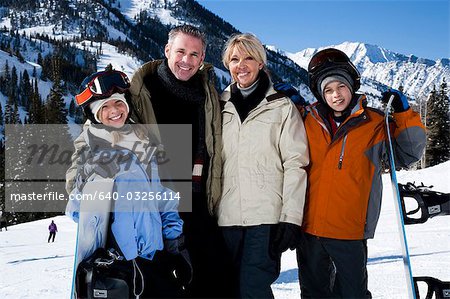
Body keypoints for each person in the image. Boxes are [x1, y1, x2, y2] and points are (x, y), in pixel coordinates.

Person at [66, 25, 234, 298]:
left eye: (195, 54)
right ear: (167, 50)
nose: (186, 60)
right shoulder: (141, 88)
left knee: (214, 279)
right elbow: (99, 121)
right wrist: (82, 178)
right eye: (180, 51)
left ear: (202, 58)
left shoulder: (209, 94)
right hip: (131, 245)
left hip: (193, 203)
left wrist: (173, 242)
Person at [295, 48, 426, 298]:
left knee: (353, 293)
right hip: (309, 228)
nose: (336, 95)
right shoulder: (307, 119)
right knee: (312, 293)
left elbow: (408, 154)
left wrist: (404, 115)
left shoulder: (374, 123)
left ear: (351, 86)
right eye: (328, 90)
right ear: (320, 94)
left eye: (341, 87)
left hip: (349, 230)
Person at [65, 69, 190, 298]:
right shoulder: (91, 151)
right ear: (94, 115)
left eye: (118, 103)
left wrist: (175, 243)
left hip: (155, 257)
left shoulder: (144, 143)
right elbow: (76, 211)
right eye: (104, 107)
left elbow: (163, 197)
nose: (114, 111)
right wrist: (87, 181)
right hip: (120, 263)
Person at [219, 33, 309, 298]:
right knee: (227, 289)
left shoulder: (281, 107)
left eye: (249, 58)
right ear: (228, 65)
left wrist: (291, 218)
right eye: (235, 59)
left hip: (265, 219)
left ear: (261, 62)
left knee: (253, 289)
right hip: (225, 218)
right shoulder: (219, 106)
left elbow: (296, 164)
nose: (242, 65)